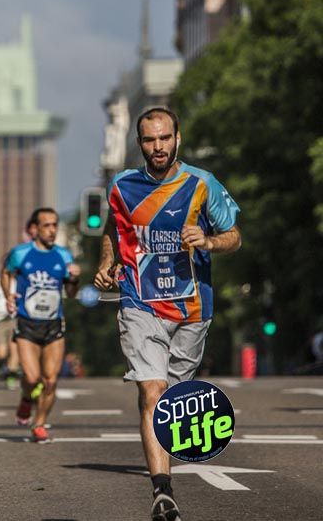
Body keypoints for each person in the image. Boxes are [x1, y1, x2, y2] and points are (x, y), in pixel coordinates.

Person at [94, 107, 240, 521]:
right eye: (148, 140)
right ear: (139, 143)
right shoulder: (122, 186)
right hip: (139, 302)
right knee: (151, 392)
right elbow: (112, 229)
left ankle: (165, 465)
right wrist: (106, 264)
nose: (157, 147)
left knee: (175, 400)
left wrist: (209, 241)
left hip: (193, 308)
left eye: (164, 138)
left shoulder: (201, 184)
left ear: (177, 137)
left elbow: (235, 235)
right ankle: (162, 492)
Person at [1, 207, 80, 443]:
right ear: (35, 229)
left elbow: (71, 292)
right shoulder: (20, 253)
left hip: (54, 323)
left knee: (51, 380)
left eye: (55, 225)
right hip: (27, 323)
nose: (52, 230)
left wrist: (75, 278)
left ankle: (39, 423)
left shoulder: (64, 256)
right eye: (46, 225)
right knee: (33, 378)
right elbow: (5, 272)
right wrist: (8, 294)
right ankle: (26, 399)